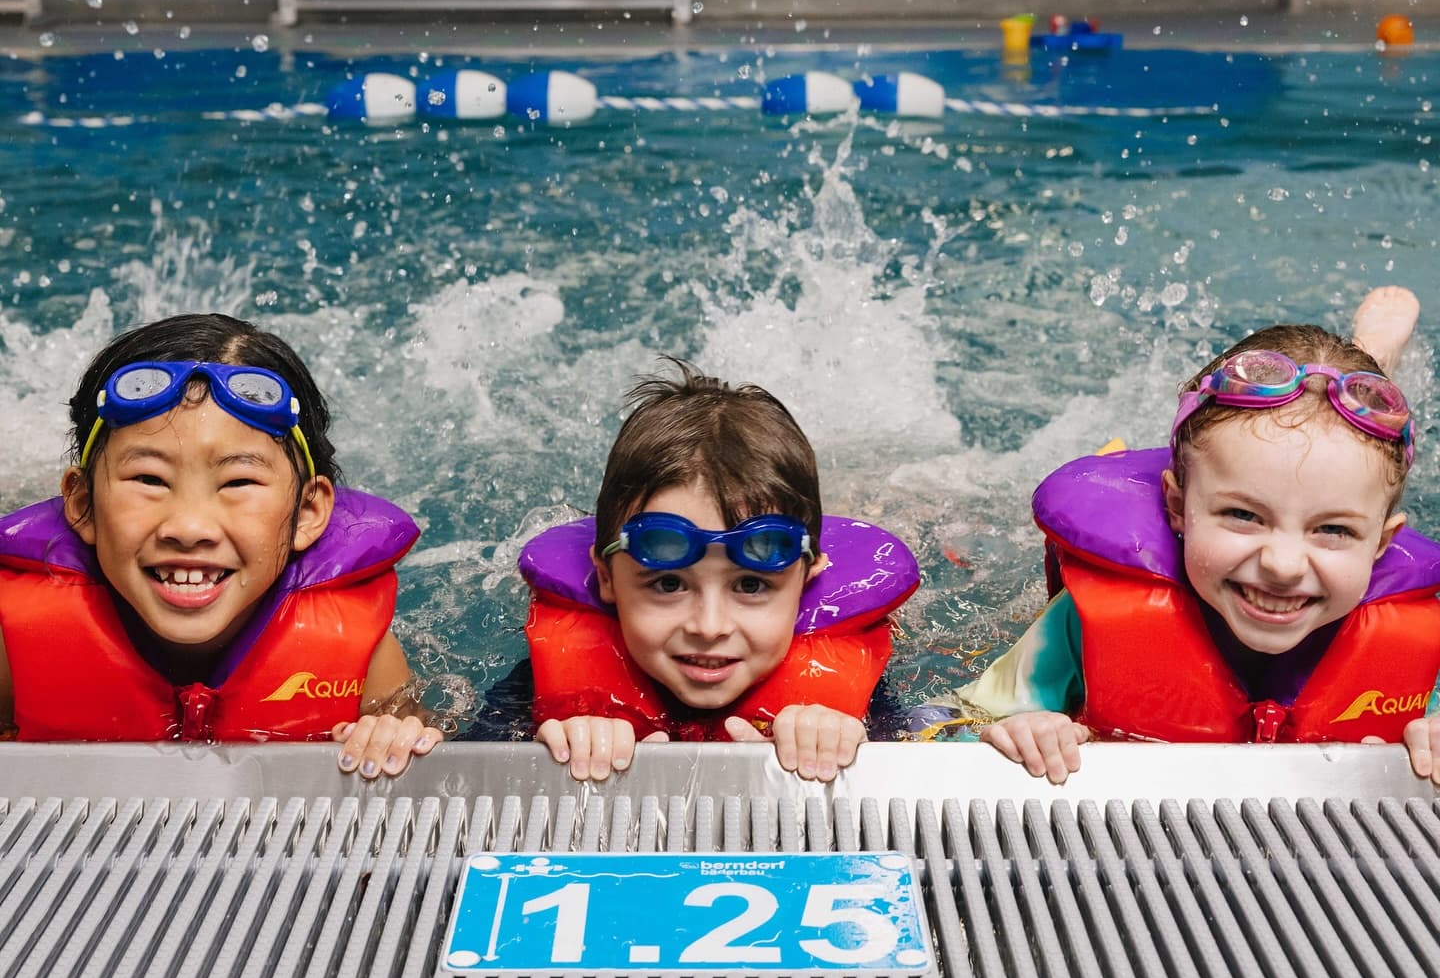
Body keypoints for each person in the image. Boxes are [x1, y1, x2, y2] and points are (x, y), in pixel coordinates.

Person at [938, 286, 1440, 785]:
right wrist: (1011, 731)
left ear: (1381, 543)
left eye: (1332, 529)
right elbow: (939, 728)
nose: (1283, 565)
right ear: (1178, 506)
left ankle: (1371, 353)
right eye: (1244, 516)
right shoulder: (1084, 623)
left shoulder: (1422, 640)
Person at [0, 313, 442, 778]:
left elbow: (418, 730)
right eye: (150, 479)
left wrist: (395, 734)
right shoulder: (12, 639)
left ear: (307, 513)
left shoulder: (357, 646)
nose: (189, 527)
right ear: (84, 504)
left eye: (237, 482)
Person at [521, 360, 919, 783]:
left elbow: (945, 736)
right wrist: (557, 742)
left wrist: (847, 740)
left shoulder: (856, 695)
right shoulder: (544, 677)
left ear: (806, 579)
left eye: (751, 584)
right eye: (668, 583)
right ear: (606, 577)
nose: (709, 627)